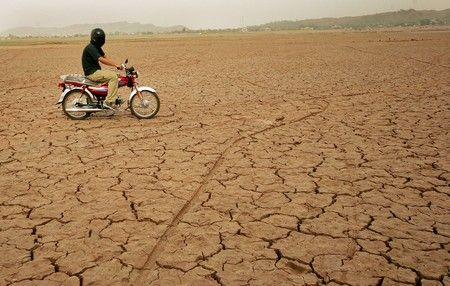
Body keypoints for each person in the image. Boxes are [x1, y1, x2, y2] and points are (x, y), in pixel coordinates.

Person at [82, 28, 123, 110]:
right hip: (92, 73)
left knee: (116, 75)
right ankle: (109, 102)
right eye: (100, 39)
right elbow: (101, 59)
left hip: (96, 71)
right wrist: (115, 65)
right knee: (113, 77)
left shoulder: (96, 46)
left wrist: (117, 65)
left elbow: (105, 58)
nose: (101, 40)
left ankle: (106, 96)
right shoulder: (91, 48)